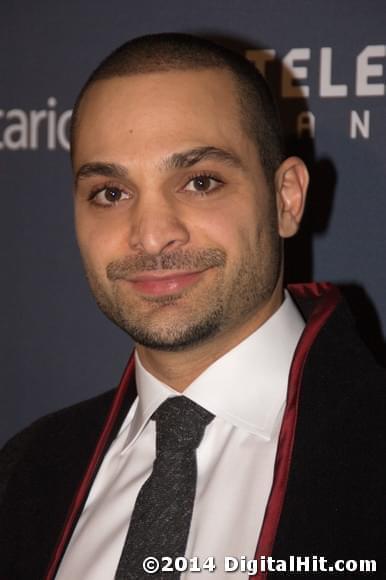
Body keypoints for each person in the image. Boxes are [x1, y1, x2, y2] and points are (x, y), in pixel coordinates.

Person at [0, 33, 385, 580]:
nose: (152, 237)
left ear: (287, 199)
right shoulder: (25, 473)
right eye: (111, 193)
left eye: (200, 182)